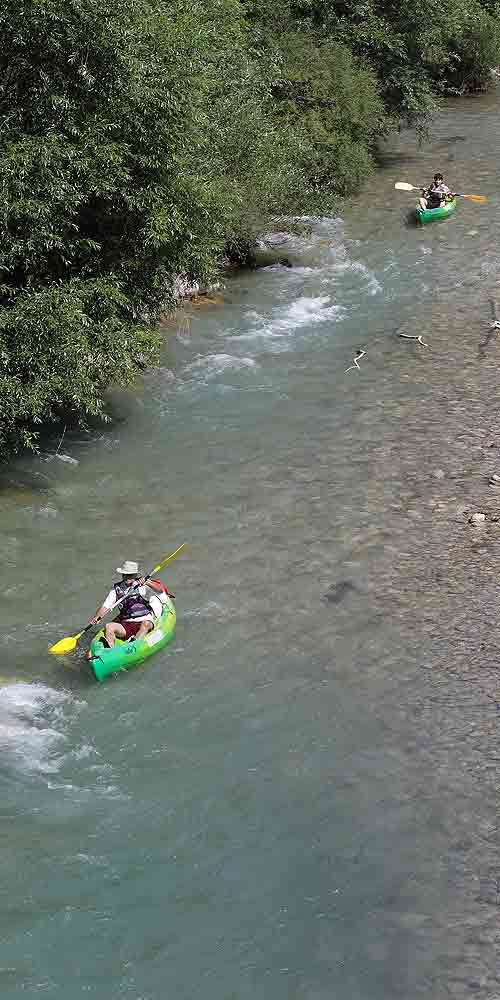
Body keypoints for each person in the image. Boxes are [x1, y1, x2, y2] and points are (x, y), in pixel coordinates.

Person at [89, 560, 170, 648]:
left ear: (135, 575)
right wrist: (97, 617)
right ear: (122, 575)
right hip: (126, 624)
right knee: (109, 626)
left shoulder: (142, 584)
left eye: (130, 575)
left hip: (144, 621)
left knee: (146, 624)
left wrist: (147, 582)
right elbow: (106, 605)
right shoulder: (116, 589)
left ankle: (133, 645)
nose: (128, 577)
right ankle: (110, 650)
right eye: (125, 575)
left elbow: (160, 590)